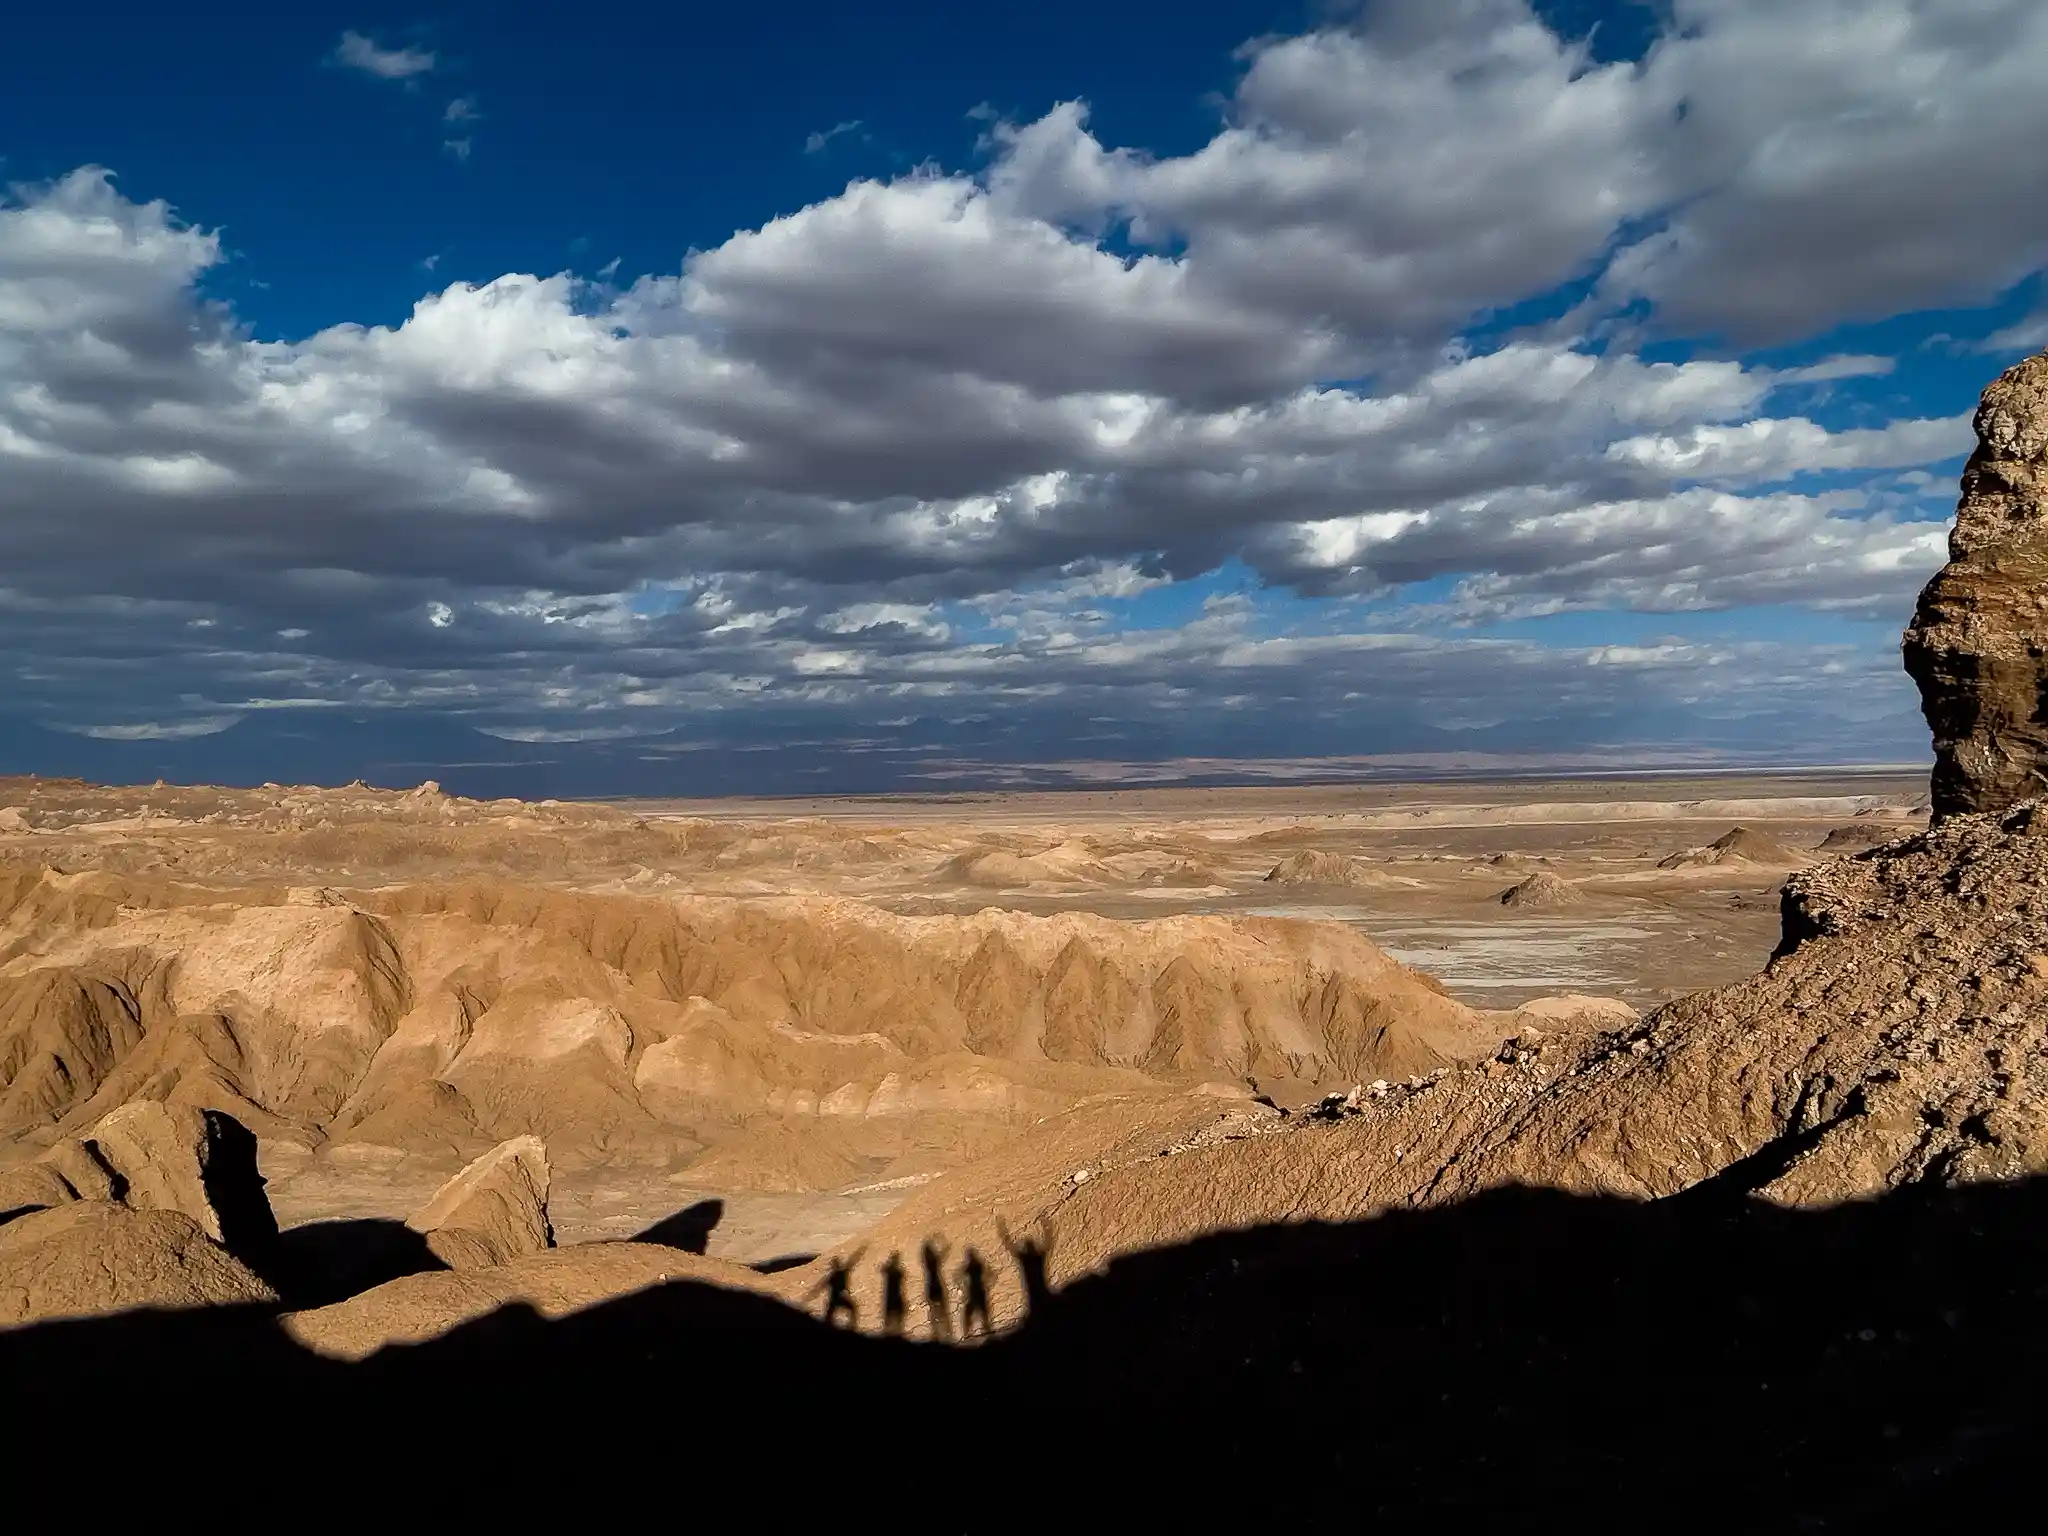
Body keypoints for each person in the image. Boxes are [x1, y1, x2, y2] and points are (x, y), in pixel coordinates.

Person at [921, 1239, 953, 1341]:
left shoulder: (926, 1261)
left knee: (933, 1310)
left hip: (929, 1286)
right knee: (944, 1309)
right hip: (937, 1285)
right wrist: (945, 1243)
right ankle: (948, 1332)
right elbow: (944, 1252)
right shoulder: (934, 1260)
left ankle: (935, 1332)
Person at [958, 1247, 991, 1337]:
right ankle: (986, 1328)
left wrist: (961, 1288)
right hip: (980, 1289)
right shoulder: (979, 1265)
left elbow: (958, 1276)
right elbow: (989, 1272)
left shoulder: (969, 1267)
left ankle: (967, 1332)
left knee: (969, 1312)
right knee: (983, 1311)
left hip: (973, 1291)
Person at [879, 1251, 907, 1336]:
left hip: (890, 1297)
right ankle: (899, 1334)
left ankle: (888, 1334)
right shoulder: (898, 1271)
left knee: (889, 1319)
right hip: (896, 1296)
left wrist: (889, 1262)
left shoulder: (889, 1270)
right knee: (898, 1319)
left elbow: (882, 1269)